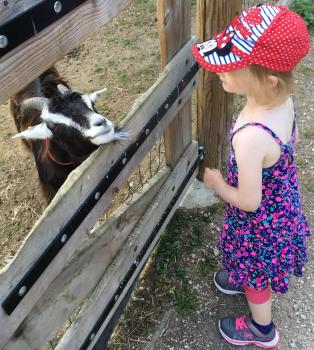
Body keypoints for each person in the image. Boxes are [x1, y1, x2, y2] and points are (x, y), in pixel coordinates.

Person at [192, 3, 311, 348]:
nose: (220, 72)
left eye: (231, 67)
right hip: (282, 205)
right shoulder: (282, 102)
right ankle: (244, 277)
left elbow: (248, 201)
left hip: (259, 226)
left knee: (257, 274)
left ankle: (262, 330)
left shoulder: (251, 135)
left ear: (267, 79)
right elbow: (294, 138)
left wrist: (217, 185)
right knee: (251, 267)